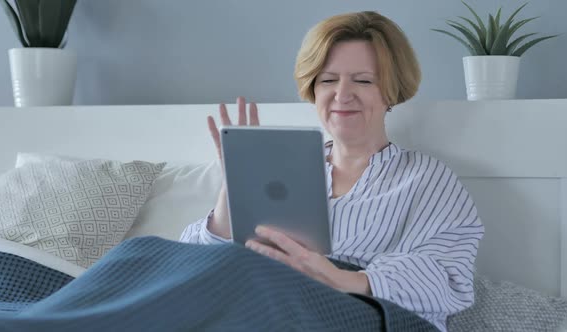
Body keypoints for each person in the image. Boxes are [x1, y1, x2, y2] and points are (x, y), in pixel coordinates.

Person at [180, 11, 484, 332]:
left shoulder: (426, 178)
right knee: (140, 254)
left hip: (351, 312)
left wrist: (340, 279)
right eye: (328, 80)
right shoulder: (276, 170)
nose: (342, 94)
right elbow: (190, 264)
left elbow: (448, 277)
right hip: (264, 299)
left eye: (363, 80)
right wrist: (234, 189)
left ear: (390, 91)